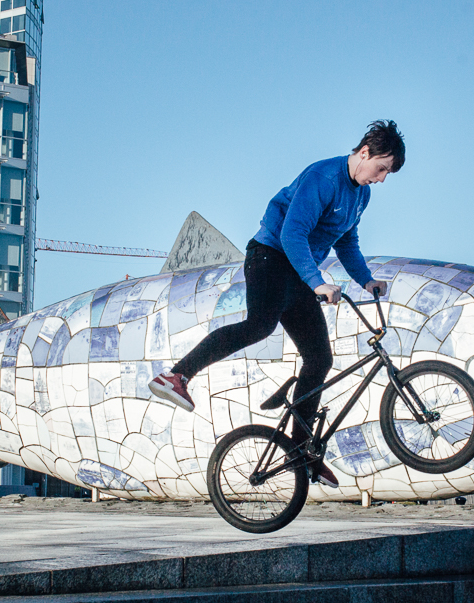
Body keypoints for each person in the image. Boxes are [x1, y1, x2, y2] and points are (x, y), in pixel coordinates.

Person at [149, 120, 405, 488]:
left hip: (298, 272)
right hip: (269, 256)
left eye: (387, 174)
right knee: (260, 325)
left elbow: (346, 243)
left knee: (320, 359)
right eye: (381, 168)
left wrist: (366, 279)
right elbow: (293, 232)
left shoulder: (361, 196)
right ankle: (176, 375)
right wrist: (317, 282)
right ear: (364, 153)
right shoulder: (324, 177)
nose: (381, 179)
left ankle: (301, 453)